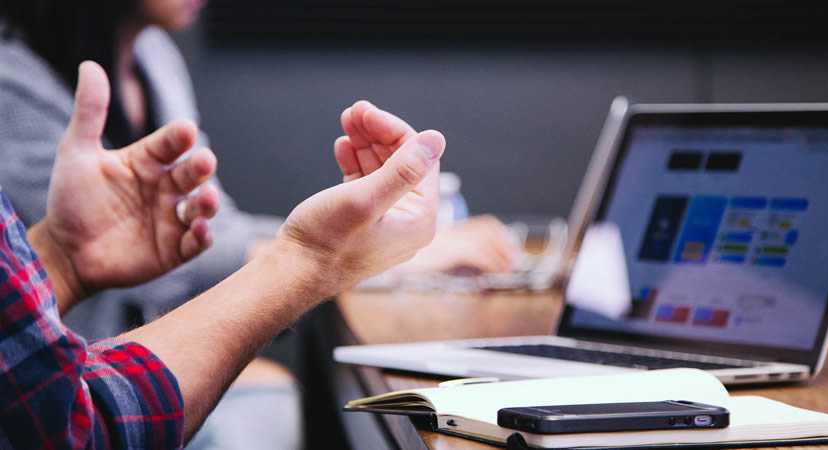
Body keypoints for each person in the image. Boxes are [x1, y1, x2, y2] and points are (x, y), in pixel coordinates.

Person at [0, 1, 515, 447]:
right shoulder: (10, 83)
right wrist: (318, 258)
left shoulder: (154, 58)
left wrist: (63, 261)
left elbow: (209, 230)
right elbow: (76, 427)